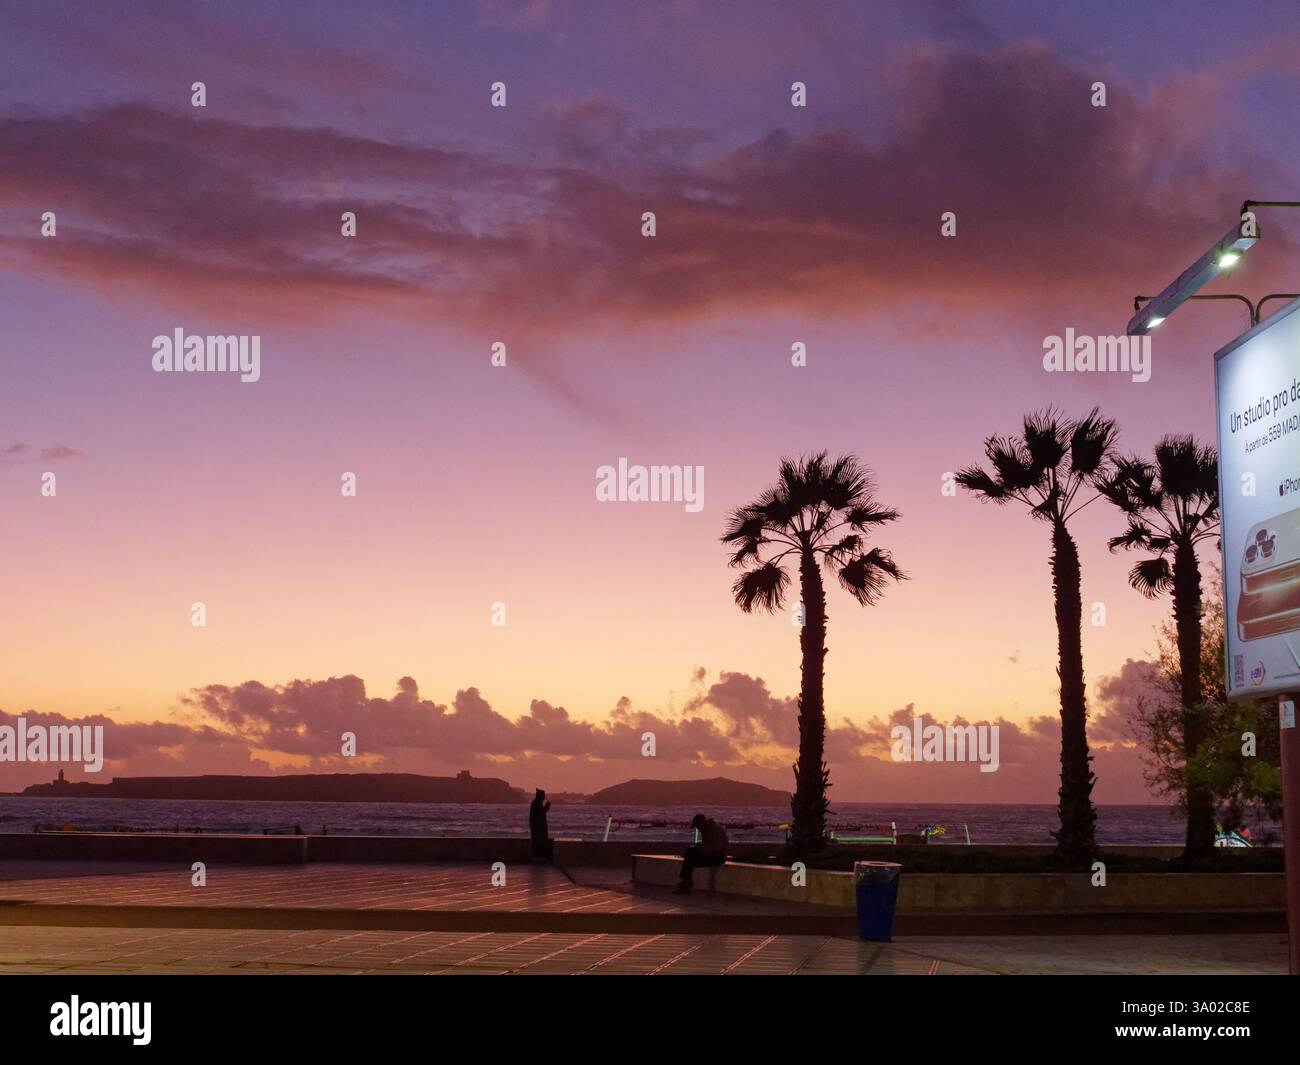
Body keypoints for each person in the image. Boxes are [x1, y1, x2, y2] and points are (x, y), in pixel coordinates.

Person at [674, 814, 728, 893]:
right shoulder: (706, 830)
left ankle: (686, 882)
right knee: (689, 854)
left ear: (702, 823)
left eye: (697, 826)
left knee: (689, 855)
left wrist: (702, 848)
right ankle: (686, 881)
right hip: (710, 855)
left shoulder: (716, 829)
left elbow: (718, 848)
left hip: (718, 858)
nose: (698, 829)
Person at [529, 788, 552, 861]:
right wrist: (547, 806)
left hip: (538, 826)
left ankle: (539, 856)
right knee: (539, 841)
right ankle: (539, 856)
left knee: (539, 841)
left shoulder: (537, 803)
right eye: (543, 795)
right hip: (538, 827)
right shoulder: (537, 803)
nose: (544, 797)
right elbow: (541, 812)